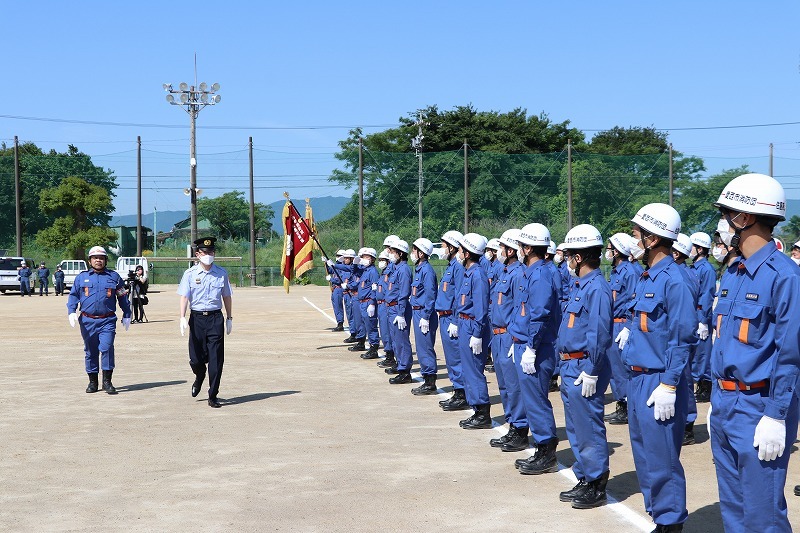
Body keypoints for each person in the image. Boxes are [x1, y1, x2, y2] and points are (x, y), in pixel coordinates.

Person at [710, 173, 800, 532]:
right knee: (733, 506)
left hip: (759, 407)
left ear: (744, 218)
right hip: (725, 401)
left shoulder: (785, 276)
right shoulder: (734, 273)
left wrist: (776, 415)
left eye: (725, 212)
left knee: (763, 512)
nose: (721, 222)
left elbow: (791, 353)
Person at [617, 203, 694, 532]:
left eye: (636, 233)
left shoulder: (674, 281)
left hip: (658, 382)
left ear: (651, 239)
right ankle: (660, 515)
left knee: (662, 459)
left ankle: (671, 522)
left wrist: (670, 385)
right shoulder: (647, 276)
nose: (632, 238)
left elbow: (682, 337)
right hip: (637, 379)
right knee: (646, 457)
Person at [556, 224, 612, 509]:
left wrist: (592, 370)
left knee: (588, 426)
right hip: (570, 366)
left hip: (583, 367)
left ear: (578, 257)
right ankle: (585, 475)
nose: (566, 260)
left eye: (569, 255)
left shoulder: (597, 288)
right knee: (577, 426)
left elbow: (600, 335)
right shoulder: (581, 286)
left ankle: (597, 482)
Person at [511, 223, 561, 476]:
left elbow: (539, 316)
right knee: (531, 399)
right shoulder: (531, 272)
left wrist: (530, 347)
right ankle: (542, 447)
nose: (518, 250)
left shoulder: (540, 275)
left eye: (520, 246)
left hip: (537, 348)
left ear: (528, 247)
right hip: (527, 344)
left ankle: (546, 451)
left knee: (537, 400)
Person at [67, 246, 132, 394]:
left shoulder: (114, 277)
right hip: (87, 321)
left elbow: (122, 296)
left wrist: (127, 313)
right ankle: (92, 382)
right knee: (90, 351)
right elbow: (73, 295)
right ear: (90, 260)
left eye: (101, 258)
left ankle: (107, 381)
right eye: (95, 258)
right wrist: (71, 311)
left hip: (107, 320)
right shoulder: (81, 278)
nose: (98, 260)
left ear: (105, 260)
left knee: (107, 348)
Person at [178, 237, 233, 408]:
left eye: (210, 252)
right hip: (197, 319)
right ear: (197, 254)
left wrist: (230, 318)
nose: (208, 255)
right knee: (196, 359)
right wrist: (182, 316)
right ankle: (199, 375)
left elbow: (226, 296)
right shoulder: (190, 274)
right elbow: (185, 296)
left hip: (215, 318)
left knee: (216, 360)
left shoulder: (221, 273)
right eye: (204, 252)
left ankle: (213, 395)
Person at [487, 229, 529, 451]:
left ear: (511, 250)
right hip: (497, 335)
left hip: (508, 335)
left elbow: (518, 309)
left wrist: (515, 337)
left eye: (502, 248)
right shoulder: (505, 272)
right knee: (504, 385)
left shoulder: (518, 274)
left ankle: (520, 429)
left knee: (514, 386)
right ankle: (512, 424)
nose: (499, 252)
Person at [452, 233, 492, 429]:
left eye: (460, 250)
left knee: (475, 370)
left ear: (467, 254)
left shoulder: (478, 275)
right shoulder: (469, 273)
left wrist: (477, 333)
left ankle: (483, 413)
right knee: (468, 369)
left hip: (472, 326)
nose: (458, 253)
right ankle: (476, 408)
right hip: (464, 324)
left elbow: (481, 308)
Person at [604, 233, 637, 426]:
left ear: (617, 251)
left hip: (621, 323)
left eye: (609, 248)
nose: (607, 252)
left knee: (622, 369)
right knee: (614, 369)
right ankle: (620, 404)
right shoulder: (616, 271)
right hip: (612, 323)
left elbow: (633, 301)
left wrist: (628, 326)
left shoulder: (630, 271)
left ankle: (627, 406)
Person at [671, 233, 700, 447]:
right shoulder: (680, 272)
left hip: (682, 333)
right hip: (677, 333)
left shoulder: (681, 275)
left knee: (685, 378)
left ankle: (688, 424)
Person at [437, 230, 468, 411]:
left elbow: (458, 296)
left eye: (443, 246)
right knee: (451, 357)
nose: (442, 249)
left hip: (451, 317)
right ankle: (457, 390)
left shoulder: (457, 267)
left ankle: (462, 393)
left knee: (456, 357)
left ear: (452, 247)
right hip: (445, 316)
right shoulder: (451, 266)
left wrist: (456, 320)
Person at [409, 238, 439, 395]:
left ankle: (430, 382)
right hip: (418, 311)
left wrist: (426, 316)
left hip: (423, 313)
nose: (412, 253)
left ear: (421, 253)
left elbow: (430, 295)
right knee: (421, 347)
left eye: (414, 250)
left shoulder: (426, 271)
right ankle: (426, 377)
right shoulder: (419, 269)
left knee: (425, 348)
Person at [689, 232, 715, 403]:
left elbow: (707, 296)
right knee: (696, 353)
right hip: (693, 315)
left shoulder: (706, 269)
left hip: (701, 316)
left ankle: (706, 386)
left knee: (703, 353)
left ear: (699, 249)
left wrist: (703, 320)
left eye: (692, 247)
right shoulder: (694, 268)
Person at [385, 239, 413, 384]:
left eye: (394, 252)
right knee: (396, 340)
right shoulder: (396, 268)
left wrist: (401, 313)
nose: (391, 254)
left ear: (401, 253)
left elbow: (403, 293)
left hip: (398, 308)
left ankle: (405, 371)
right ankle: (400, 364)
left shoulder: (403, 270)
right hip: (392, 308)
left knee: (402, 341)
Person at [353, 248, 380, 358]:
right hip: (363, 302)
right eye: (363, 257)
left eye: (366, 257)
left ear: (372, 259)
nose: (364, 259)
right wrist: (355, 264)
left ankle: (374, 348)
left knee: (371, 326)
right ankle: (370, 346)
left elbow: (375, 288)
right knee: (366, 325)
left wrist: (373, 303)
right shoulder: (365, 270)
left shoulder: (373, 272)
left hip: (369, 302)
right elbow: (355, 272)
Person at [376, 247, 395, 368]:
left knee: (388, 332)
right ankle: (388, 354)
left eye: (383, 259)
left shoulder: (391, 272)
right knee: (383, 331)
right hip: (381, 304)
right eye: (380, 259)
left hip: (386, 304)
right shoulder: (383, 273)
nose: (381, 261)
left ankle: (391, 357)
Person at [325, 250, 346, 332]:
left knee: (338, 306)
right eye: (337, 255)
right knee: (336, 306)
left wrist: (332, 279)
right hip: (335, 288)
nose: (337, 257)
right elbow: (330, 271)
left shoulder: (343, 267)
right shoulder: (336, 265)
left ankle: (340, 323)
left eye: (339, 255)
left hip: (339, 287)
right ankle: (339, 322)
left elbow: (341, 279)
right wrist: (326, 264)